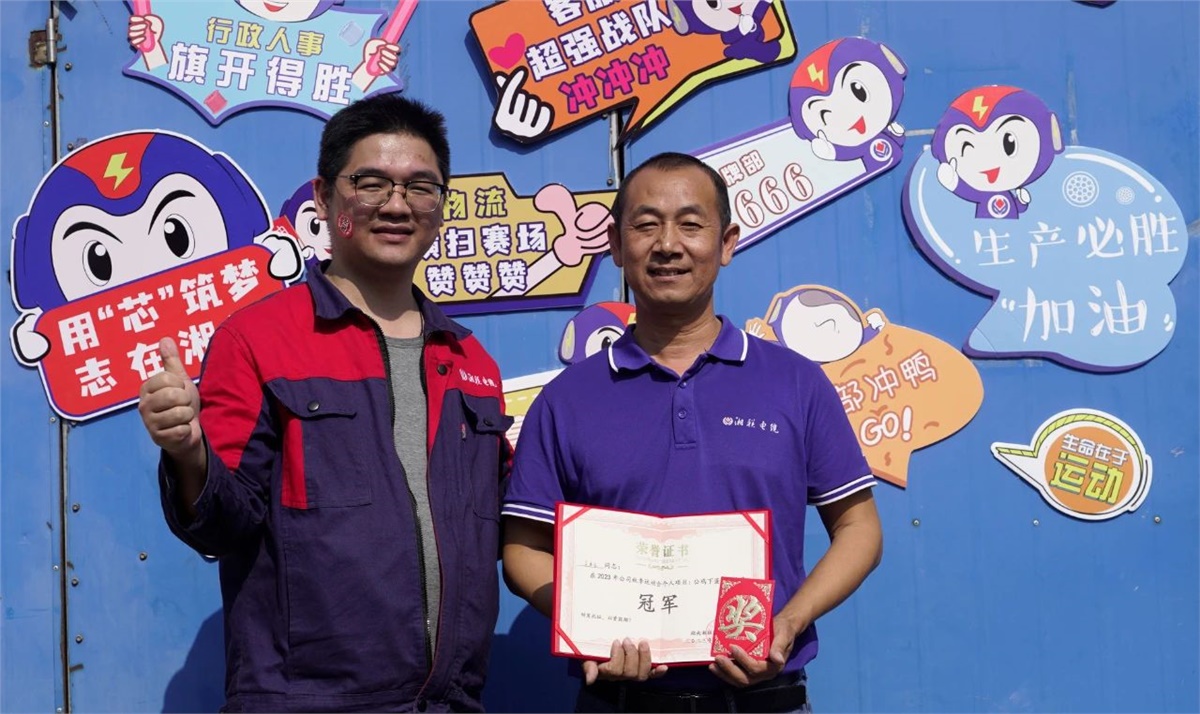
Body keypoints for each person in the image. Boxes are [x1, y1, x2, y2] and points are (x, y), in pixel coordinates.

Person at [137, 94, 512, 712]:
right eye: (371, 183)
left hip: (449, 702)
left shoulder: (471, 362)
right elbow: (224, 523)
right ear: (324, 196)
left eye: (421, 187)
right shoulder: (258, 339)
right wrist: (187, 452)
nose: (397, 205)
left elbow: (507, 527)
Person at [500, 152, 883, 713]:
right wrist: (586, 623)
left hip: (765, 699)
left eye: (690, 224)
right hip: (620, 700)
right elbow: (523, 548)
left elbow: (859, 527)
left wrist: (789, 622)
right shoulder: (566, 399)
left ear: (726, 243)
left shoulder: (796, 382)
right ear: (615, 245)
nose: (667, 245)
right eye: (646, 225)